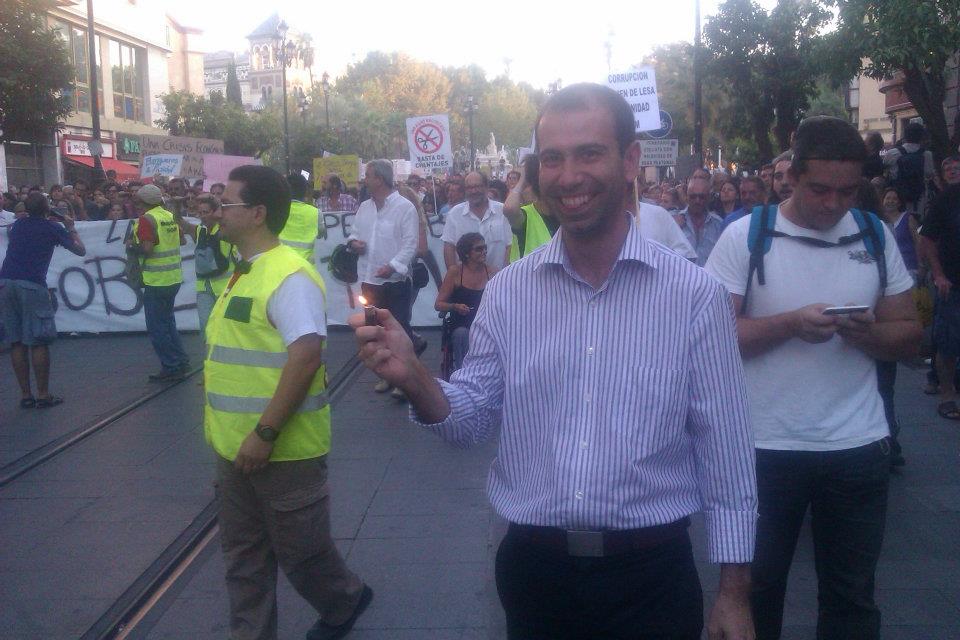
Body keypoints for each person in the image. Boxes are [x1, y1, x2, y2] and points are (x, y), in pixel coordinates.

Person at [351, 83, 757, 640]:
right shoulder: (508, 292)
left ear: (630, 160)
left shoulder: (694, 295)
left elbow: (726, 448)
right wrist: (417, 378)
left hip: (652, 577)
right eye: (553, 159)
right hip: (535, 573)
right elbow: (471, 419)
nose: (569, 176)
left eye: (589, 153)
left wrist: (734, 591)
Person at [705, 115, 920, 640]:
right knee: (758, 593)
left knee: (852, 597)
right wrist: (789, 325)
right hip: (763, 448)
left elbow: (910, 334)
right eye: (820, 189)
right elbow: (710, 341)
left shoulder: (872, 235)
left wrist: (866, 334)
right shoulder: (745, 237)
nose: (833, 204)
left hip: (857, 446)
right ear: (792, 176)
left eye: (847, 191)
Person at [207, 165, 372, 640]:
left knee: (303, 555)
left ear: (257, 213)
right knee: (243, 559)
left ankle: (344, 599)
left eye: (227, 203)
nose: (218, 212)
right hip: (232, 449)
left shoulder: (289, 277)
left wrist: (265, 433)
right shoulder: (244, 271)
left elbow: (305, 358)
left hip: (283, 450)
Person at [0, 193, 85, 408]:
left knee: (16, 341)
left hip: (6, 282)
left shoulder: (18, 225)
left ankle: (26, 395)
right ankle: (43, 394)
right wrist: (70, 228)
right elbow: (80, 250)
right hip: (31, 284)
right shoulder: (52, 228)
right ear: (47, 208)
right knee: (38, 340)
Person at [347, 159, 419, 395]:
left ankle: (406, 379)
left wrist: (393, 266)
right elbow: (354, 234)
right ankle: (387, 375)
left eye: (368, 175)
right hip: (369, 280)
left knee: (399, 330)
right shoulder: (364, 207)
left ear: (379, 179)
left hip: (395, 282)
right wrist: (354, 243)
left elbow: (411, 244)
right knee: (376, 331)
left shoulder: (404, 207)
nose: (364, 180)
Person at [129, 184, 190, 382]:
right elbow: (182, 241)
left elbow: (147, 248)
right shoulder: (168, 215)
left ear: (143, 202)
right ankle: (181, 360)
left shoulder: (147, 219)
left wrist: (132, 246)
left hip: (156, 280)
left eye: (137, 201)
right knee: (168, 322)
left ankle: (171, 365)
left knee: (157, 327)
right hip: (173, 278)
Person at [918, 154, 960, 420]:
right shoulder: (947, 199)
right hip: (952, 283)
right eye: (949, 169)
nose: (954, 172)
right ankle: (947, 395)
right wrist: (938, 275)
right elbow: (927, 239)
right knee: (948, 343)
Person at [175, 194, 235, 334]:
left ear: (215, 212)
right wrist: (177, 206)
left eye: (206, 212)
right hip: (204, 288)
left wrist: (215, 200)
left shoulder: (226, 232)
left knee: (226, 328)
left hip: (225, 288)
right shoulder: (199, 231)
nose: (202, 216)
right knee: (206, 326)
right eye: (200, 213)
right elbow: (178, 220)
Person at [435, 232, 490, 375]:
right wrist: (454, 306)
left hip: (486, 323)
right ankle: (463, 373)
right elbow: (438, 304)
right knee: (462, 334)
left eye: (485, 247)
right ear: (466, 253)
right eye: (479, 249)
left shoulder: (492, 272)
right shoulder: (455, 272)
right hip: (462, 323)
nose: (484, 251)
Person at [441, 171, 512, 270]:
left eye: (477, 186)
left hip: (499, 276)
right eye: (469, 188)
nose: (473, 191)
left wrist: (506, 274)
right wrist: (454, 275)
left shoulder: (502, 211)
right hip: (466, 278)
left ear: (486, 187)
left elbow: (510, 245)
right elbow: (449, 247)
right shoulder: (454, 214)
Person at [882, 121, 936, 217]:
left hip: (896, 197)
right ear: (921, 137)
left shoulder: (892, 153)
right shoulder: (927, 155)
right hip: (918, 199)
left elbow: (884, 170)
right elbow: (929, 173)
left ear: (905, 136)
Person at [677, 175, 724, 266]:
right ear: (687, 197)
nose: (697, 201)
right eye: (693, 197)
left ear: (709, 197)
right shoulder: (674, 223)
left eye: (702, 197)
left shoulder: (718, 224)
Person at [281, 174, 322, 263]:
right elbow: (322, 234)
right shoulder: (316, 212)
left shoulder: (279, 210)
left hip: (282, 263)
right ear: (305, 191)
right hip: (306, 266)